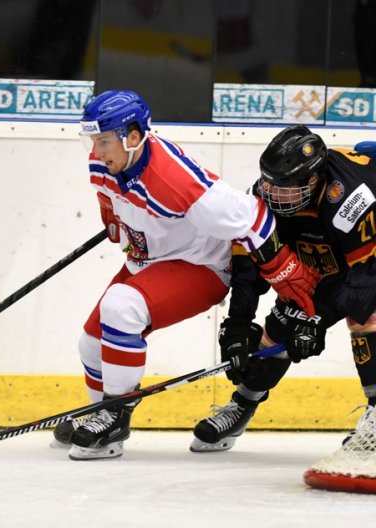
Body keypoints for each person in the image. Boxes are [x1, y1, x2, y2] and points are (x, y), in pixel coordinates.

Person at [52, 91, 320, 460]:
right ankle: (97, 415)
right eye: (92, 140)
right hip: (148, 260)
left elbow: (254, 216)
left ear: (133, 137)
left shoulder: (178, 181)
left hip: (201, 266)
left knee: (121, 307)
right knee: (91, 343)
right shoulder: (104, 162)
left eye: (103, 140)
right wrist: (112, 215)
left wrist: (281, 268)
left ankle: (114, 420)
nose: (96, 151)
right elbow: (108, 194)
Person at [190, 125, 376, 453]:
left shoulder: (349, 197)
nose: (272, 193)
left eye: (284, 186)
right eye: (268, 181)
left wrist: (317, 321)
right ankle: (243, 405)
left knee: (365, 317)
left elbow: (367, 278)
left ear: (314, 179)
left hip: (367, 264)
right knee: (279, 331)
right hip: (329, 262)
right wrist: (237, 322)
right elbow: (249, 267)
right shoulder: (264, 194)